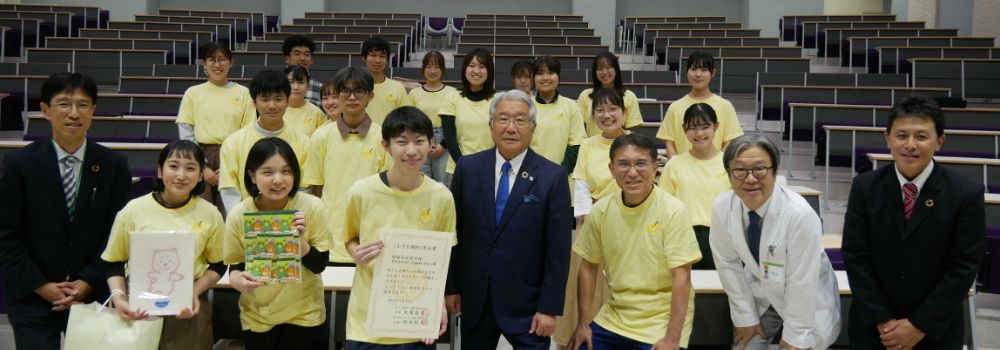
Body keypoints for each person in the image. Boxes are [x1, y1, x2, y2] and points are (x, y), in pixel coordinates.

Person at [0, 72, 131, 349]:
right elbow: (6, 234)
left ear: (93, 110)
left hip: (92, 294)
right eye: (64, 104)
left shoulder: (113, 165)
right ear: (45, 110)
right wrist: (40, 286)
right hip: (32, 296)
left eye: (83, 105)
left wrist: (87, 280)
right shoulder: (18, 164)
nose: (74, 113)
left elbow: (116, 234)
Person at [843, 95, 984, 349]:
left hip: (935, 332)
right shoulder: (865, 187)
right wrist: (884, 321)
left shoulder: (966, 193)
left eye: (921, 136)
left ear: (940, 141)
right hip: (874, 331)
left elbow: (964, 267)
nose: (910, 145)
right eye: (901, 135)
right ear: (887, 138)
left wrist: (918, 325)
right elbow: (855, 256)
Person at [446, 89, 572, 350]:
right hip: (475, 298)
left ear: (533, 127)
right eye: (503, 119)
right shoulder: (468, 168)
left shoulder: (553, 176)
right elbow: (453, 234)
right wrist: (451, 287)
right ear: (491, 125)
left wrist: (549, 308)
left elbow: (557, 251)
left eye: (520, 120)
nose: (511, 128)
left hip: (528, 305)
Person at [567, 133, 701, 350]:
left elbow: (682, 278)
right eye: (623, 164)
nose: (632, 172)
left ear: (655, 167)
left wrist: (672, 339)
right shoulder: (601, 210)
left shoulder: (674, 211)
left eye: (640, 164)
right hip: (614, 317)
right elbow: (588, 267)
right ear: (611, 170)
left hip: (660, 322)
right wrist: (583, 324)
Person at [709, 135, 840, 350]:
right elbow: (727, 265)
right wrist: (745, 318)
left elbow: (801, 283)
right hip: (764, 290)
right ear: (729, 174)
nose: (750, 179)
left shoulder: (800, 215)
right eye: (740, 170)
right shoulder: (722, 207)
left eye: (759, 169)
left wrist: (795, 337)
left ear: (774, 171)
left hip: (807, 299)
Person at [342, 107, 455, 349]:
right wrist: (355, 253)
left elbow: (444, 258)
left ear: (431, 143)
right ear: (386, 145)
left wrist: (439, 305)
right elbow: (349, 239)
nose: (411, 151)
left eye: (419, 142)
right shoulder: (361, 192)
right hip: (367, 325)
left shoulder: (442, 197)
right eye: (402, 142)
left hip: (417, 322)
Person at [101, 140, 225, 349]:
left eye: (191, 168)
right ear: (160, 171)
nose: (181, 175)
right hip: (139, 306)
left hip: (189, 307)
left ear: (201, 174)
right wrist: (120, 298)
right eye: (173, 166)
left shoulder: (210, 213)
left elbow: (218, 264)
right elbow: (113, 261)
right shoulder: (133, 210)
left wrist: (193, 291)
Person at [223, 137, 331, 350]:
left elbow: (319, 265)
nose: (278, 180)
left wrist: (297, 241)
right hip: (258, 316)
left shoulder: (313, 207)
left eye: (286, 171)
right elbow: (235, 266)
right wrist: (237, 281)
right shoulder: (239, 214)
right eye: (268, 172)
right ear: (252, 176)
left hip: (305, 314)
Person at [553, 88, 626, 347]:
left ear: (624, 113)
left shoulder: (633, 143)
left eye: (612, 109)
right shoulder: (587, 144)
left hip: (628, 224)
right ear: (593, 115)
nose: (606, 115)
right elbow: (581, 183)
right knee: (585, 282)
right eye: (600, 110)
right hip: (592, 222)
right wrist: (589, 220)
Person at [303, 66, 391, 263]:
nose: (352, 97)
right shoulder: (321, 136)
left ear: (370, 96)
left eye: (359, 91)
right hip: (329, 238)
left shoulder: (383, 139)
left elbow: (388, 192)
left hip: (369, 240)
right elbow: (313, 190)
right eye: (345, 91)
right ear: (339, 95)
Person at [176, 41, 256, 214]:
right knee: (201, 213)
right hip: (200, 156)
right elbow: (186, 132)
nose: (217, 64)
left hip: (233, 157)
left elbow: (247, 132)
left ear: (231, 62)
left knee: (231, 213)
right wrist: (202, 167)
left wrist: (228, 166)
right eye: (211, 59)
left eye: (222, 59)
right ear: (204, 63)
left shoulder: (243, 93)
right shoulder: (193, 93)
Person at [218, 70, 310, 213]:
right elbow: (230, 190)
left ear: (287, 101)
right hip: (248, 223)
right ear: (254, 102)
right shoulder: (233, 143)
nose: (272, 105)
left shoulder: (304, 142)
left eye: (278, 99)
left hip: (291, 223)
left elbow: (304, 190)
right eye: (265, 99)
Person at [658, 103, 730, 270]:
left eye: (705, 127)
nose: (699, 133)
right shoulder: (674, 164)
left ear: (716, 127)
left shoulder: (729, 163)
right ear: (684, 129)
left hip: (722, 238)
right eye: (693, 128)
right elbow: (663, 207)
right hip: (684, 238)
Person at [656, 51, 742, 158]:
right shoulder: (675, 107)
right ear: (686, 71)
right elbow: (669, 143)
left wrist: (718, 165)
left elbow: (729, 142)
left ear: (713, 73)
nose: (698, 74)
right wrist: (676, 167)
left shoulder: (725, 106)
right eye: (693, 69)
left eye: (704, 70)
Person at [440, 48, 497, 181]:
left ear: (489, 71)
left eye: (482, 66)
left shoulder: (498, 99)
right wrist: (463, 165)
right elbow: (450, 138)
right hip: (458, 169)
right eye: (472, 66)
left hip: (490, 169)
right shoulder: (452, 97)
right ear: (465, 69)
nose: (476, 71)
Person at [530, 55, 586, 173]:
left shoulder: (571, 106)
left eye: (550, 72)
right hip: (530, 176)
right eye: (540, 73)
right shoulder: (525, 106)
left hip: (562, 177)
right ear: (533, 78)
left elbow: (576, 145)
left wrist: (559, 173)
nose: (545, 77)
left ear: (559, 77)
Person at [407, 51, 456, 183]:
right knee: (421, 186)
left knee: (444, 186)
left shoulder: (452, 92)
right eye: (428, 66)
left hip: (444, 143)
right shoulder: (414, 93)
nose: (432, 71)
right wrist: (423, 142)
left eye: (436, 67)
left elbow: (455, 123)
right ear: (423, 69)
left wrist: (444, 145)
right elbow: (410, 122)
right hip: (420, 141)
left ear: (443, 70)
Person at [576, 52, 644, 137]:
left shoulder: (629, 96)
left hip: (620, 147)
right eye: (600, 68)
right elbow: (578, 126)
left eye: (608, 67)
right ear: (595, 72)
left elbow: (633, 128)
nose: (604, 72)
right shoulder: (585, 95)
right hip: (593, 147)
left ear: (616, 69)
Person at [362, 36, 411, 123]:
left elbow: (406, 118)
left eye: (382, 56)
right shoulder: (354, 87)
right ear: (364, 58)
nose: (377, 60)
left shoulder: (397, 88)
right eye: (373, 55)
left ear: (387, 60)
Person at [283, 65, 326, 136]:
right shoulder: (276, 109)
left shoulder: (317, 113)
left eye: (301, 82)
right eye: (291, 82)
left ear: (308, 86)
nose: (296, 87)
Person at [282, 34, 321, 107]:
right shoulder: (276, 84)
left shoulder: (320, 88)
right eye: (297, 54)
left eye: (306, 54)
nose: (302, 58)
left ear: (312, 60)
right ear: (287, 59)